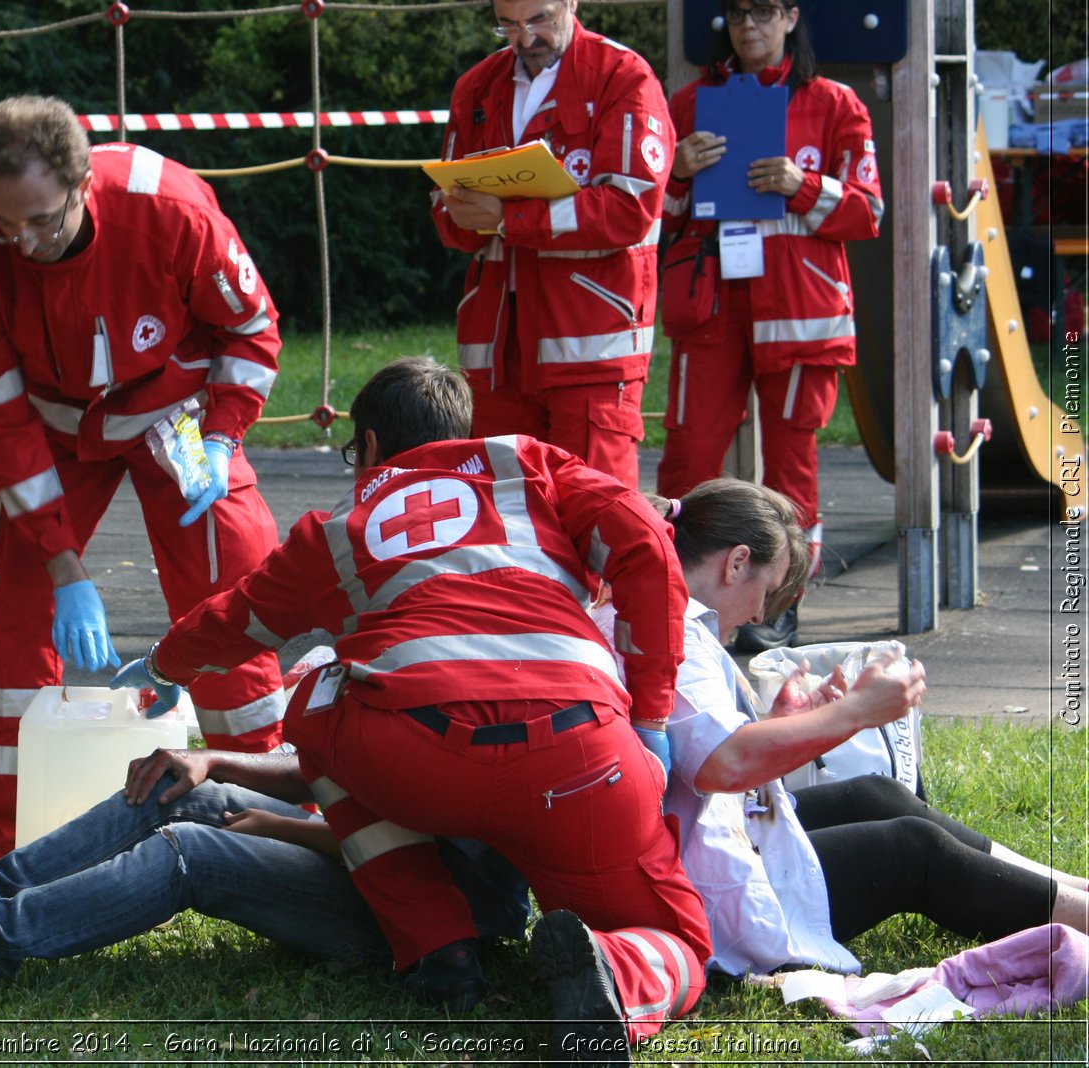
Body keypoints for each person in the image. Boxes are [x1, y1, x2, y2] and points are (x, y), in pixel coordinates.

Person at [113, 358, 711, 1055]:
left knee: (319, 692)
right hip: (579, 756)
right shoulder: (530, 467)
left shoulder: (337, 529)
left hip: (413, 755)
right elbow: (646, 544)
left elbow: (236, 621)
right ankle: (623, 970)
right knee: (683, 945)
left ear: (367, 448)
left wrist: (162, 664)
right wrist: (651, 718)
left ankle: (436, 946)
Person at [0, 95, 287, 863]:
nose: (22, 241)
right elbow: (0, 417)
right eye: (6, 220)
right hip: (54, 430)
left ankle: (268, 824)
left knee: (230, 596)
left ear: (83, 184)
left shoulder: (170, 210)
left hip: (181, 419)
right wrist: (64, 567)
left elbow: (251, 329)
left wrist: (225, 439)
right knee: (21, 627)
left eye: (42, 219)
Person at [598, 478, 1088, 977]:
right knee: (912, 851)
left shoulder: (648, 611)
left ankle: (1072, 889)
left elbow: (697, 751)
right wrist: (853, 714)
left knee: (876, 795)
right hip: (695, 888)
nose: (760, 614)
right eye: (766, 592)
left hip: (686, 842)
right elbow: (722, 764)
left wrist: (788, 724)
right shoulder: (672, 626)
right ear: (737, 561)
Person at [0, 748, 530, 988]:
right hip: (372, 860)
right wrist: (209, 759)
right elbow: (337, 769)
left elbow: (415, 850)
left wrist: (285, 830)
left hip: (428, 917)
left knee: (191, 848)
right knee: (177, 784)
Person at [653, 0, 883, 650]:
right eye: (736, 12)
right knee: (688, 458)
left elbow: (869, 212)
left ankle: (779, 606)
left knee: (793, 473)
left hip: (800, 313)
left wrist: (801, 185)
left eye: (761, 11)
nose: (747, 25)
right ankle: (669, 596)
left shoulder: (835, 103)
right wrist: (677, 172)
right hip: (712, 309)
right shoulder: (690, 102)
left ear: (789, 16)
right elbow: (656, 218)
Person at [432, 0, 673, 488]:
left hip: (590, 342)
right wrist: (458, 211)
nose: (525, 39)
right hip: (497, 350)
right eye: (508, 26)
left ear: (570, 3)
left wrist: (509, 218)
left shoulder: (624, 77)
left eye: (539, 20)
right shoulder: (477, 85)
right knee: (504, 517)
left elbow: (630, 209)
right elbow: (447, 216)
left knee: (595, 515)